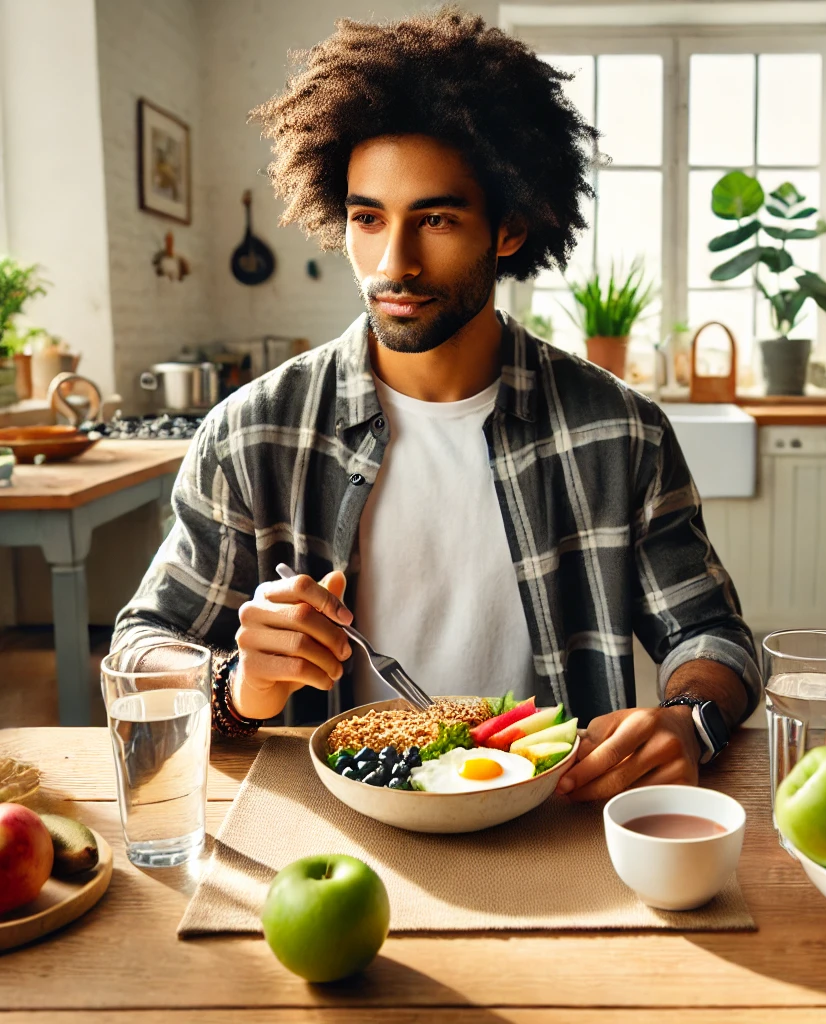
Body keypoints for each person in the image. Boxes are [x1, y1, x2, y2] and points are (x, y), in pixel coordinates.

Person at [113, 6, 760, 801]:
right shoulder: (253, 432)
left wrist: (690, 717)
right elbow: (138, 650)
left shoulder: (619, 431)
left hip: (555, 821)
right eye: (366, 219)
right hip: (335, 826)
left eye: (438, 219)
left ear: (510, 228)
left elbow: (713, 637)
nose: (394, 262)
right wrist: (239, 683)